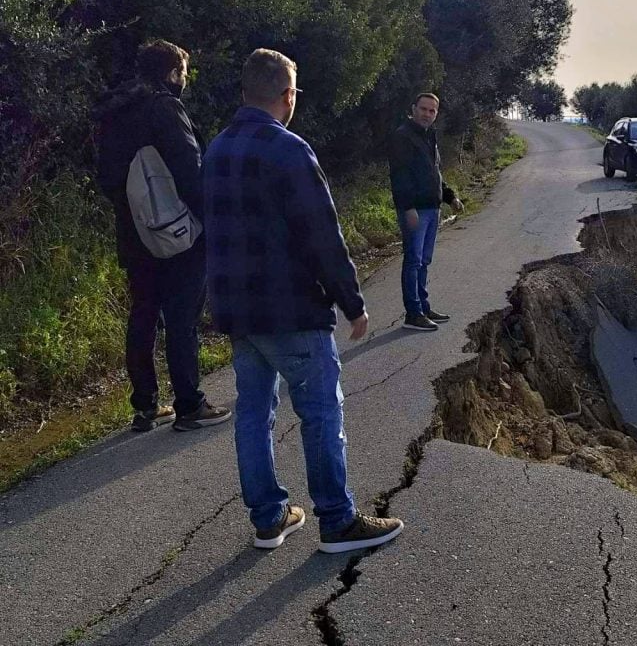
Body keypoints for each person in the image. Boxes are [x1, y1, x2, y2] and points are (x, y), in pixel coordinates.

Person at [202, 48, 404, 552]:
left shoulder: (216, 150)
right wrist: (351, 302)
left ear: (246, 92)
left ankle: (270, 517)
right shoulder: (289, 150)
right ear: (287, 95)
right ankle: (337, 521)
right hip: (290, 308)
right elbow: (322, 236)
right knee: (320, 412)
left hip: (238, 310)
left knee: (254, 412)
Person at [94, 39, 232, 433]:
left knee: (142, 314)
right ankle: (189, 404)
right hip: (179, 233)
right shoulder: (165, 108)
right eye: (183, 74)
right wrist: (210, 221)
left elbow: (106, 177)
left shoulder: (114, 113)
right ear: (173, 73)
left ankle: (145, 406)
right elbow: (190, 172)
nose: (183, 81)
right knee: (182, 316)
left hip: (134, 231)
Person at [386, 93, 463, 331]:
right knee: (413, 261)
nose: (427, 114)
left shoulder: (430, 136)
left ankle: (424, 307)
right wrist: (407, 208)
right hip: (415, 210)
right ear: (413, 109)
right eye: (423, 109)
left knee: (424, 261)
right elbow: (399, 176)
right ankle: (413, 314)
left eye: (432, 111)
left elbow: (434, 173)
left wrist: (450, 197)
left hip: (433, 208)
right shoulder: (402, 137)